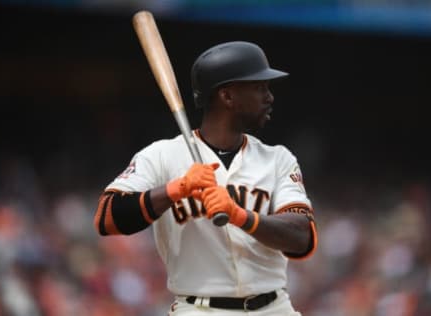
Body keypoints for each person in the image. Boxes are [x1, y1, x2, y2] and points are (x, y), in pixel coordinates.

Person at [94, 41, 318, 315]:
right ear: (227, 96)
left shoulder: (278, 159)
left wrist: (238, 215)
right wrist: (177, 189)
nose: (269, 97)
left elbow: (301, 236)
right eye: (260, 87)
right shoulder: (163, 155)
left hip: (274, 307)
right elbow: (107, 217)